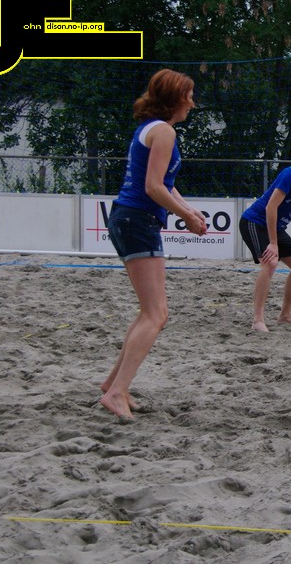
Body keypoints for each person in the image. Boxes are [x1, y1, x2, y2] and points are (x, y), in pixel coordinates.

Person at [100, 69, 207, 419]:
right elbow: (153, 187)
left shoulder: (151, 128)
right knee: (156, 314)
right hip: (137, 220)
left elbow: (165, 183)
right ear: (175, 99)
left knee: (149, 312)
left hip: (130, 218)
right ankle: (116, 391)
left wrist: (189, 208)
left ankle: (114, 383)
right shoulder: (164, 131)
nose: (192, 102)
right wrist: (186, 217)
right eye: (189, 95)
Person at [240, 136, 291, 331]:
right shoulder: (290, 174)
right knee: (270, 263)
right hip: (254, 222)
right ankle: (258, 320)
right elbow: (270, 207)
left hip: (275, 227)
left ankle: (285, 316)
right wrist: (273, 243)